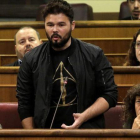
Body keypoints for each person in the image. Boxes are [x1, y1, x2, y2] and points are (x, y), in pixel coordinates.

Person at [16, 0, 118, 129]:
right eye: (50, 25)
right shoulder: (31, 59)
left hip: (87, 131)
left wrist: (83, 117)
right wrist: (33, 136)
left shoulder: (94, 54)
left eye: (61, 25)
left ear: (72, 25)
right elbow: (24, 102)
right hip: (46, 132)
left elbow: (110, 94)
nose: (55, 30)